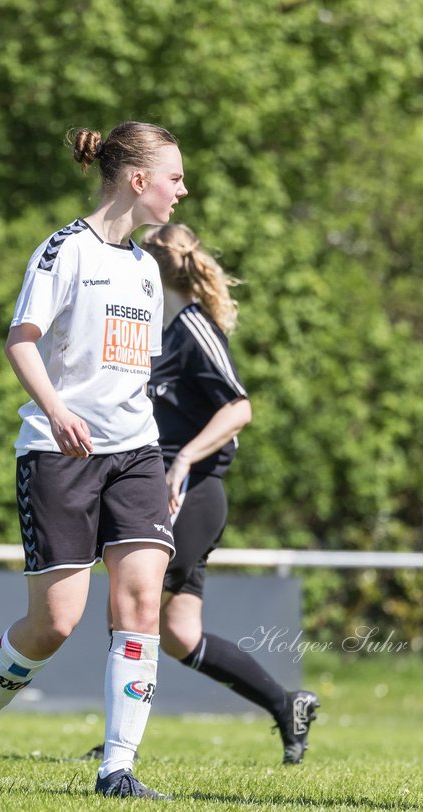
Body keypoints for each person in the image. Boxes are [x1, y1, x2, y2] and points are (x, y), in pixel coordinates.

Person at [0, 121, 185, 799]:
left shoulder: (146, 268)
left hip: (135, 454)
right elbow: (21, 339)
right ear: (137, 181)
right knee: (55, 622)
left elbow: (138, 379)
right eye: (174, 177)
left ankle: (117, 769)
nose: (182, 189)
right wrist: (56, 409)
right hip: (60, 454)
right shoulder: (64, 251)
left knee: (141, 600)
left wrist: (168, 464)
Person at [79, 223, 319, 767]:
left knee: (127, 608)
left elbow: (240, 408)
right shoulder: (155, 327)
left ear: (155, 263)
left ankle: (118, 749)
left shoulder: (193, 326)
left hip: (191, 496)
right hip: (162, 493)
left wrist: (184, 459)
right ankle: (288, 705)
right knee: (181, 635)